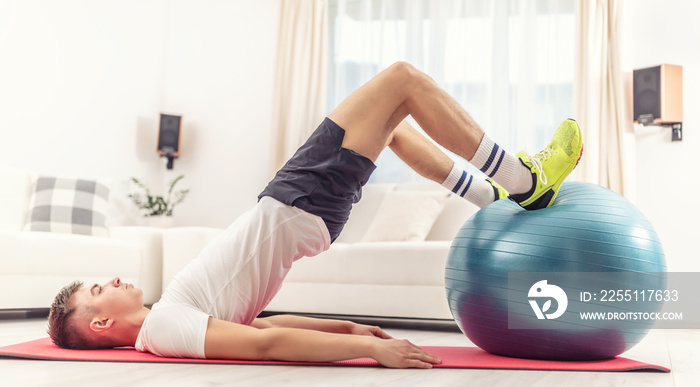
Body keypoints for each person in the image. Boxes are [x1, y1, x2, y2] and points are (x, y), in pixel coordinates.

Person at [47, 62, 583, 369]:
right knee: (401, 81)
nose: (111, 280)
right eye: (98, 291)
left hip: (300, 204)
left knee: (392, 121)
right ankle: (525, 182)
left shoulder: (171, 320)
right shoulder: (163, 328)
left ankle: (490, 197)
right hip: (298, 200)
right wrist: (371, 354)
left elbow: (263, 324)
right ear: (100, 323)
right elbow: (266, 346)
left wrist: (348, 326)